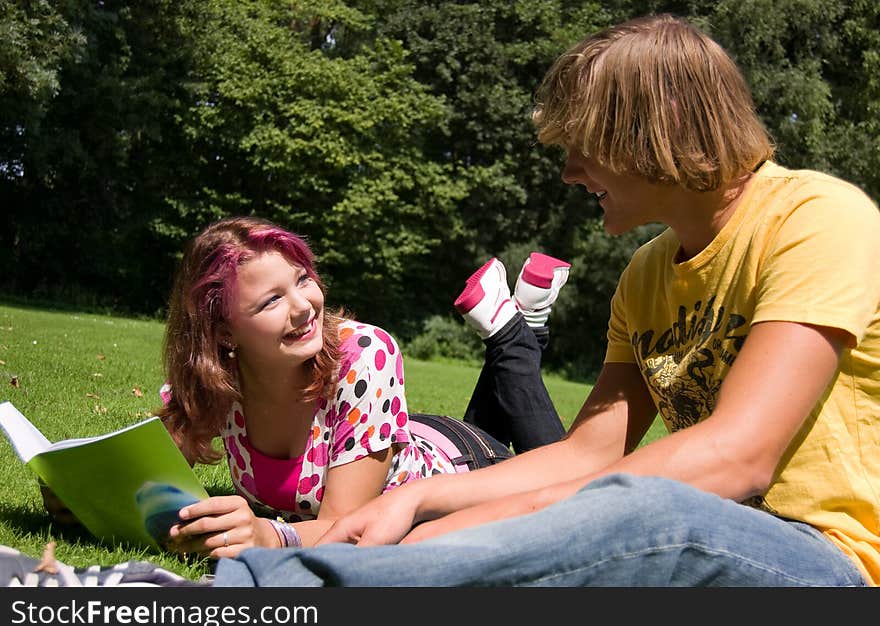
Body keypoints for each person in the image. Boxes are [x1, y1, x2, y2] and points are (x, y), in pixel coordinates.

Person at [9, 12, 877, 588]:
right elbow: (584, 454)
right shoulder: (648, 276)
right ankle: (129, 598)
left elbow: (734, 460)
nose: (571, 172)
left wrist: (483, 509)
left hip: (824, 563)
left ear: (652, 131)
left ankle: (198, 607)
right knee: (461, 536)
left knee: (648, 509)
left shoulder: (816, 218)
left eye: (584, 148)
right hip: (696, 547)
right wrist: (417, 503)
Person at [36, 216, 571, 561]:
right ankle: (524, 320)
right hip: (394, 439)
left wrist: (272, 536)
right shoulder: (221, 382)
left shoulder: (363, 353)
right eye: (270, 301)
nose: (302, 307)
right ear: (223, 333)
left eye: (303, 280)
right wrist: (85, 491)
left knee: (578, 481)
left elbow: (345, 528)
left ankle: (512, 330)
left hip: (464, 464)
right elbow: (146, 460)